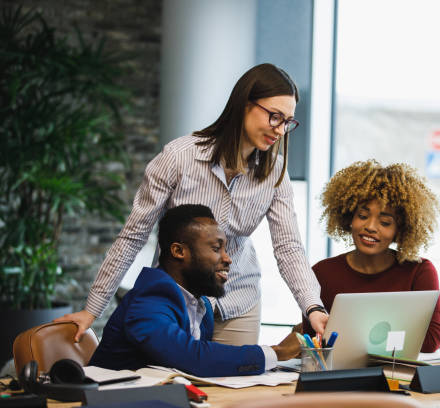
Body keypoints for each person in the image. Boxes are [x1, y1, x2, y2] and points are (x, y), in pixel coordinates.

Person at [56, 63, 327, 344]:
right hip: (177, 301)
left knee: (236, 384)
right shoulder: (178, 157)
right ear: (245, 104)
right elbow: (132, 236)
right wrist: (92, 310)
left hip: (237, 301)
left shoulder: (275, 174)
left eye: (288, 122)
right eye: (275, 117)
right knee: (174, 383)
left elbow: (288, 247)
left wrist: (312, 307)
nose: (281, 130)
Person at [89, 204, 300, 376]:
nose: (228, 259)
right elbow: (191, 357)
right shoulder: (151, 298)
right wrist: (277, 352)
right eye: (216, 248)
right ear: (178, 251)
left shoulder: (201, 305)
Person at [302, 160, 440, 352]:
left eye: (385, 222)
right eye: (362, 216)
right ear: (349, 218)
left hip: (396, 376)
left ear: (399, 230)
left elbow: (430, 342)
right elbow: (314, 340)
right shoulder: (322, 272)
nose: (370, 227)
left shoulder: (419, 272)